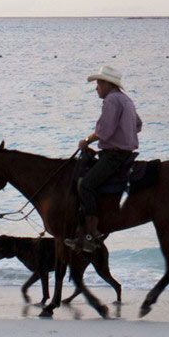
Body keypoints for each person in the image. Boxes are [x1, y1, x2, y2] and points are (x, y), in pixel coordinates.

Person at [64, 65, 141, 253]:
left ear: (107, 84)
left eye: (98, 83)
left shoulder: (111, 100)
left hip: (114, 155)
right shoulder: (126, 99)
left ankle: (90, 235)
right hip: (126, 154)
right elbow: (138, 125)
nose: (96, 87)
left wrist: (86, 141)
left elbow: (104, 131)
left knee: (86, 185)